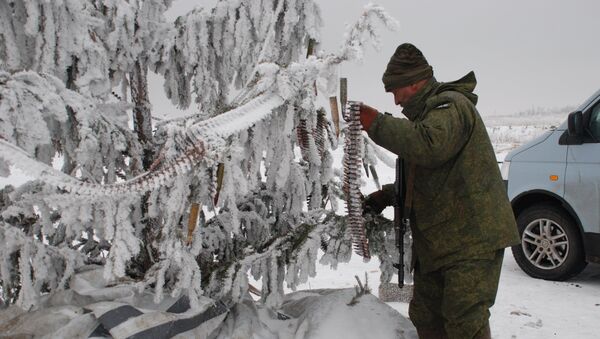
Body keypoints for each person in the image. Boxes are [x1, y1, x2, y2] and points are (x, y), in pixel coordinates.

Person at [360, 43, 520, 339]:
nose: (395, 101)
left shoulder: (450, 106)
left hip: (470, 239)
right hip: (441, 242)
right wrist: (385, 196)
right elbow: (429, 177)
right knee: (425, 313)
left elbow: (430, 146)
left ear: (415, 82)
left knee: (464, 320)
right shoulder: (427, 118)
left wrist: (377, 124)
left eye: (395, 90)